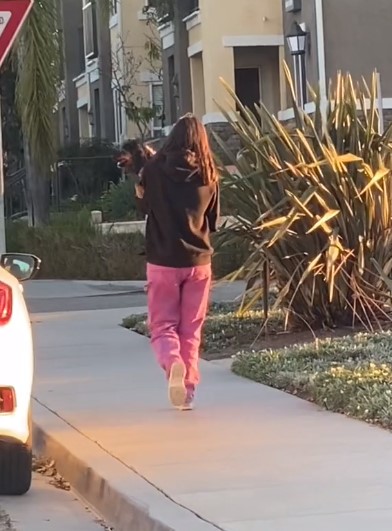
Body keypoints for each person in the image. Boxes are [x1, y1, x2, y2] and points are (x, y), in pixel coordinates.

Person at [136, 114, 220, 411]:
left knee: (163, 326)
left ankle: (173, 363)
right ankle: (187, 393)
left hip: (162, 261)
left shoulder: (153, 170)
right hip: (199, 261)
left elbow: (145, 207)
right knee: (191, 329)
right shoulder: (209, 172)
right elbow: (213, 219)